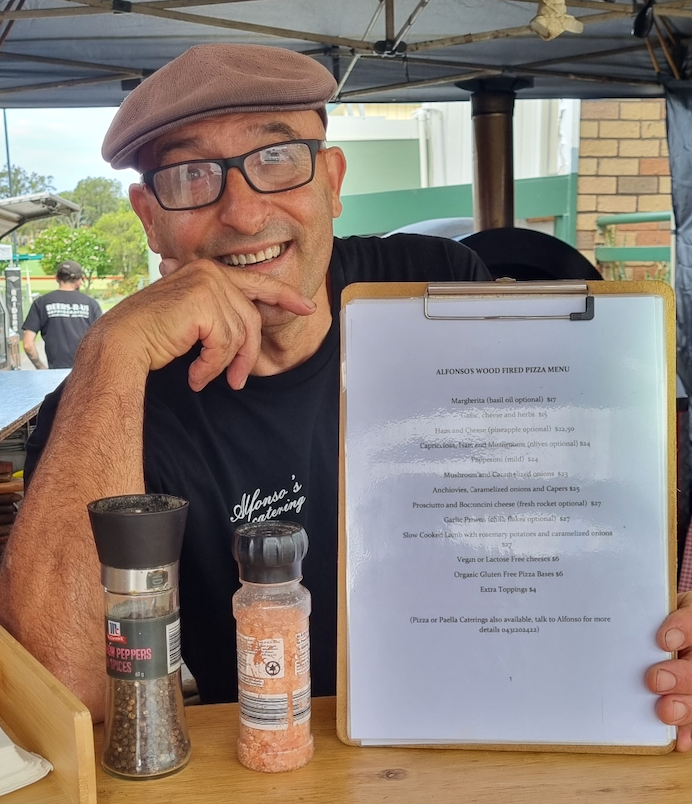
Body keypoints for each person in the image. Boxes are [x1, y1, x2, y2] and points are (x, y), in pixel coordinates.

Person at [1, 44, 692, 749]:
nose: (244, 213)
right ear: (149, 218)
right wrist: (112, 349)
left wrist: (658, 633)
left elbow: (564, 512)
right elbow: (64, 693)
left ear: (331, 181)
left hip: (495, 726)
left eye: (277, 158)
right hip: (275, 758)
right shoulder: (115, 397)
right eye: (190, 174)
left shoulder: (433, 287)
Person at [22, 260, 102, 369]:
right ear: (79, 281)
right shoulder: (91, 304)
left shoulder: (41, 303)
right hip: (84, 373)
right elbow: (103, 341)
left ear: (56, 278)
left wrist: (41, 368)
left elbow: (28, 344)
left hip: (55, 375)